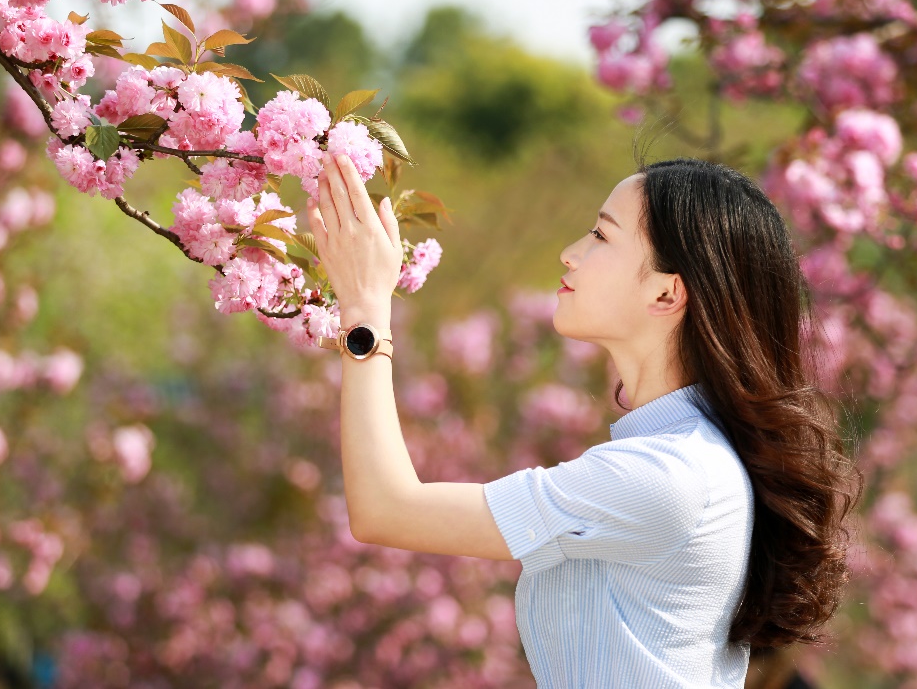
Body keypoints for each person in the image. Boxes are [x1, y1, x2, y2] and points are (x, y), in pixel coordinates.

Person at [307, 152, 860, 689]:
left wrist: (364, 309)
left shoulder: (670, 475)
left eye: (601, 236)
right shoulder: (682, 459)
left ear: (667, 292)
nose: (570, 254)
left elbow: (386, 510)